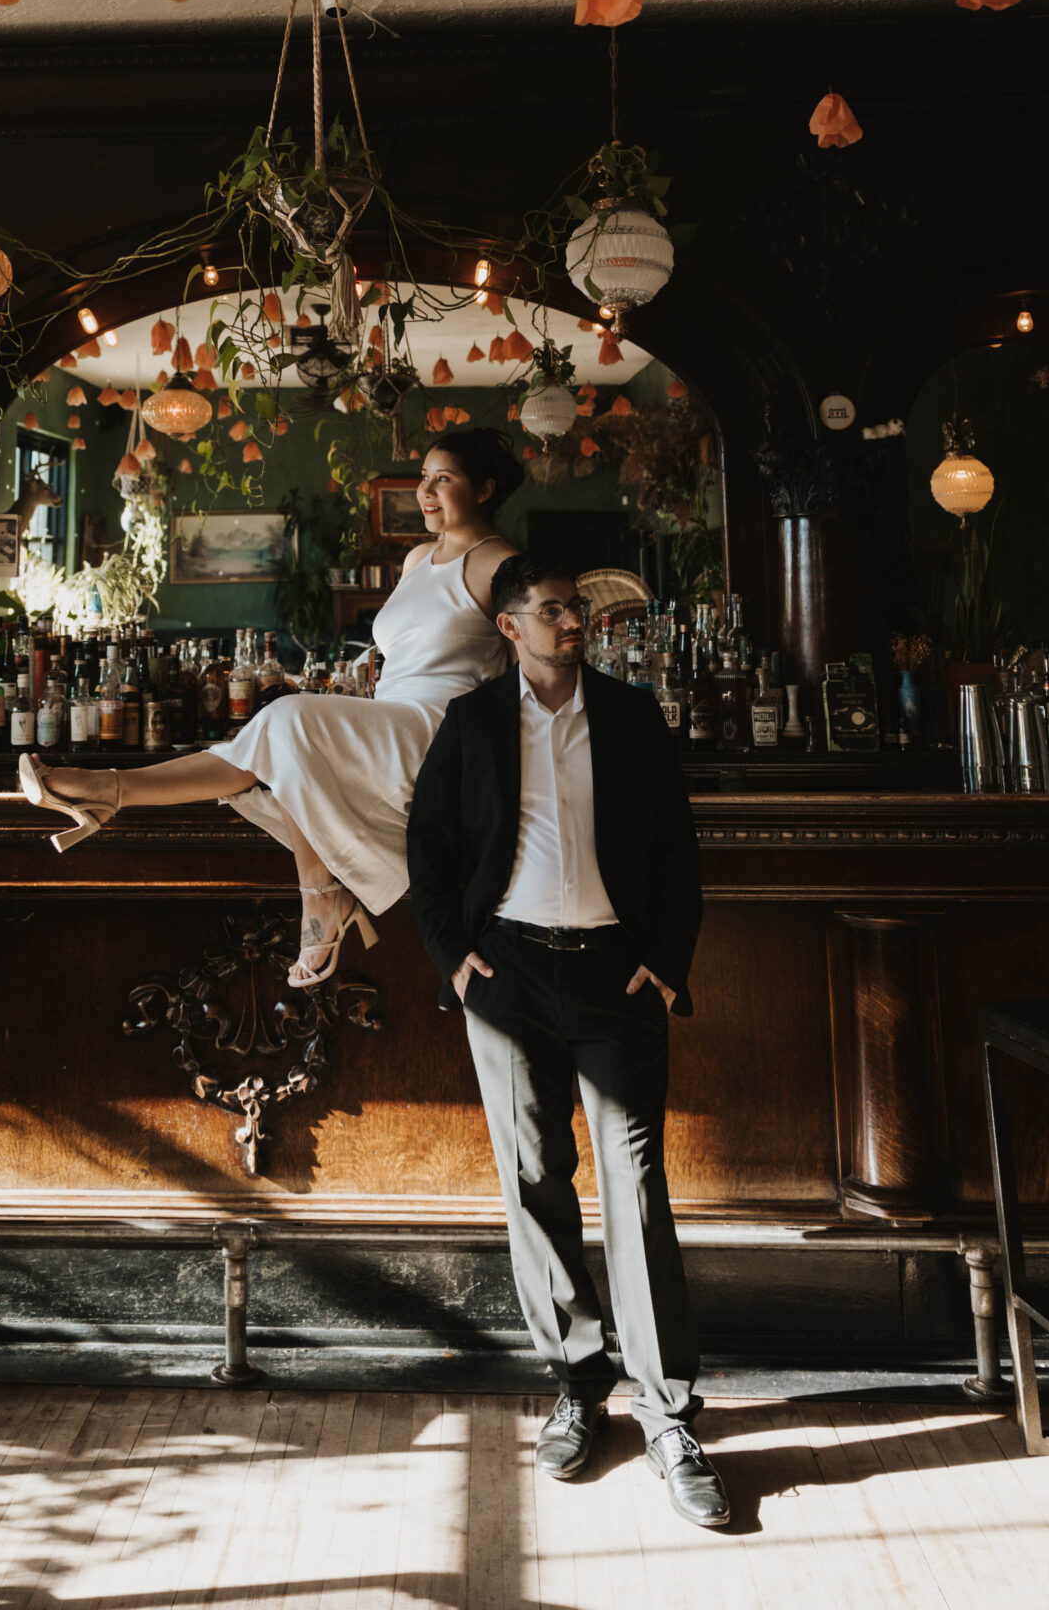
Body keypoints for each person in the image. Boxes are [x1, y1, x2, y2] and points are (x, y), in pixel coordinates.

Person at [405, 550, 728, 1527]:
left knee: (635, 1185)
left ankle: (669, 1412)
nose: (572, 622)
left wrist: (667, 959)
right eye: (552, 610)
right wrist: (456, 957)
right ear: (509, 627)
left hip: (616, 976)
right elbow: (428, 843)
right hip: (506, 978)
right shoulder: (469, 723)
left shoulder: (631, 715)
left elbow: (677, 846)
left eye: (575, 609)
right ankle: (578, 1386)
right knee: (534, 1175)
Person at [18, 427, 520, 986]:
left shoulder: (500, 564)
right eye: (423, 476)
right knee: (278, 744)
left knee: (286, 720)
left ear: (485, 489)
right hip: (391, 717)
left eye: (443, 479)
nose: (425, 490)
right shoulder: (417, 559)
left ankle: (309, 890)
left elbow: (529, 673)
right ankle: (116, 795)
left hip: (441, 733)